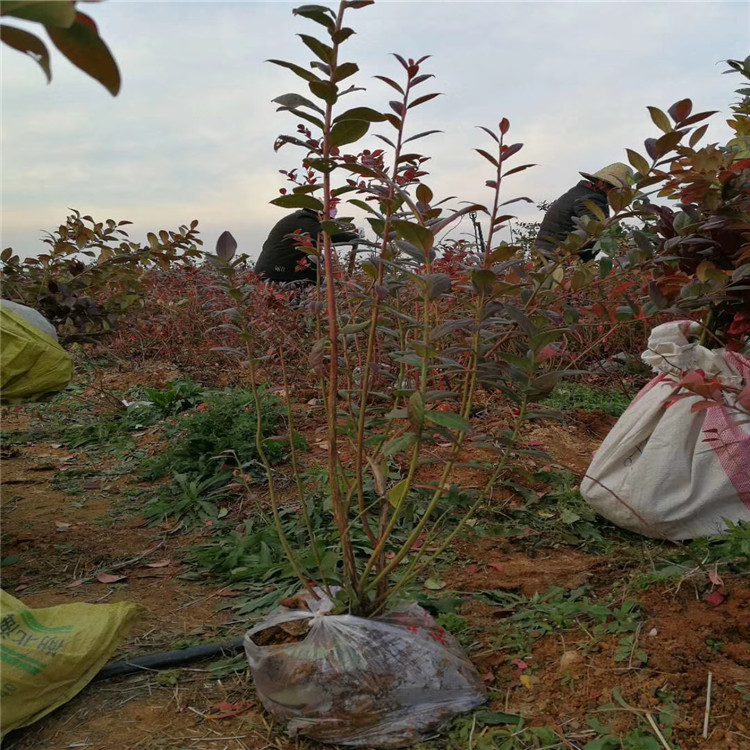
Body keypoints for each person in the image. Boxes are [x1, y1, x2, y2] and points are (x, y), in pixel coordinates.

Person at [533, 163, 634, 261]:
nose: (618, 195)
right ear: (602, 184)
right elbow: (596, 229)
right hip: (559, 258)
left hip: (545, 255)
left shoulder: (577, 192)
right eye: (615, 190)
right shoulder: (593, 198)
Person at [254, 208, 360, 285]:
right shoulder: (304, 219)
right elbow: (326, 235)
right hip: (277, 275)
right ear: (320, 214)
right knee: (290, 308)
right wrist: (353, 235)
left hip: (280, 273)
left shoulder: (300, 221)